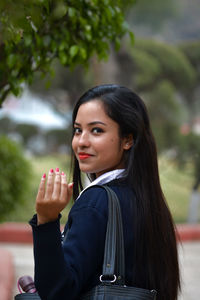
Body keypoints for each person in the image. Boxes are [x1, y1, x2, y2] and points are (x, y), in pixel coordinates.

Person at [30, 84, 180, 300]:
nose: (81, 142)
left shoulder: (97, 202)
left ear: (128, 139)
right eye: (78, 130)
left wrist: (46, 221)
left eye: (96, 130)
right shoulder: (146, 199)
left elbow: (57, 292)